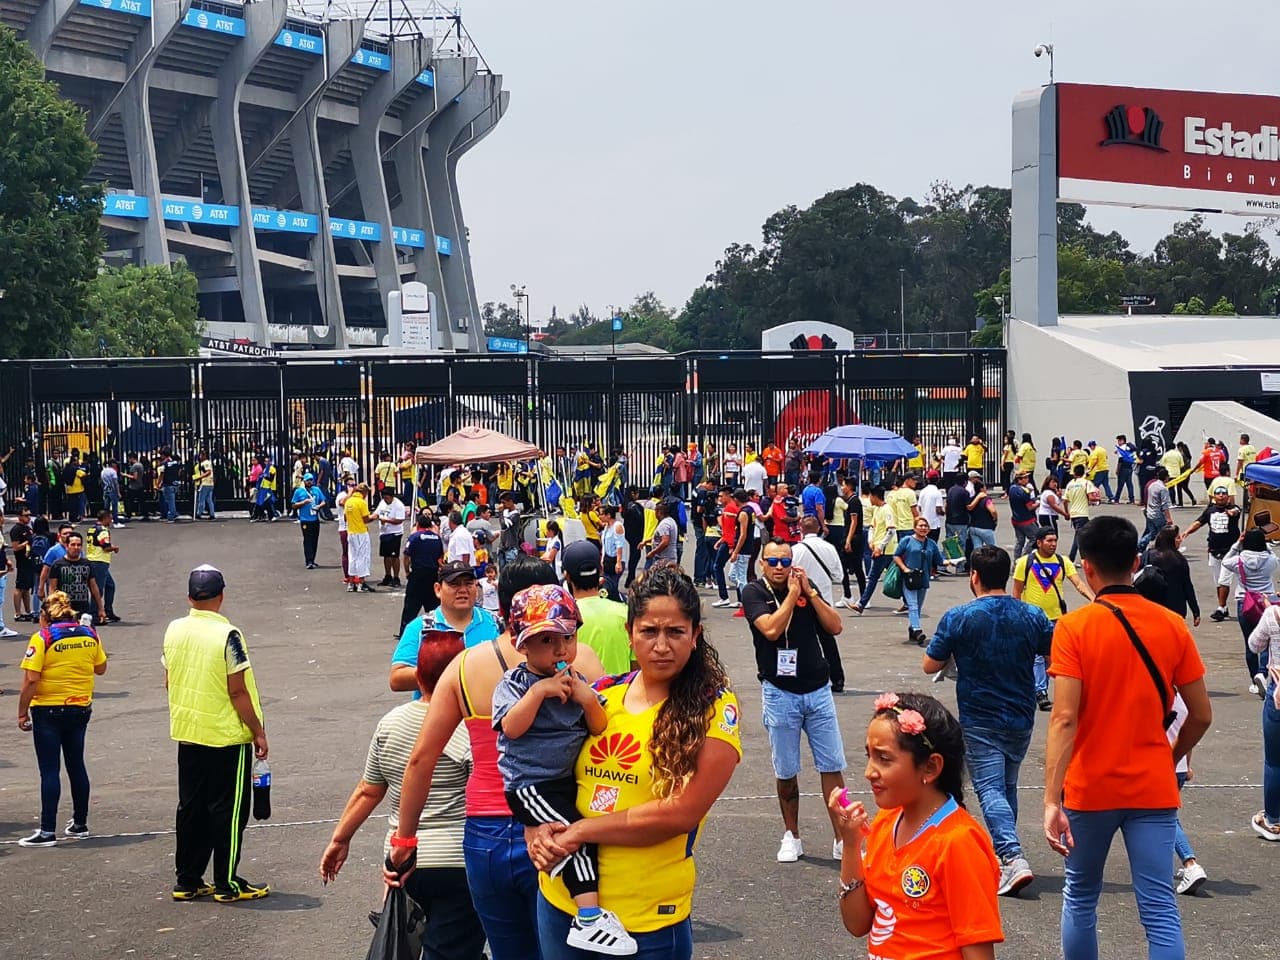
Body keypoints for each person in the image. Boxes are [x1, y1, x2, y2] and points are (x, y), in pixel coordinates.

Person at [516, 564, 741, 960]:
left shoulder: (713, 708)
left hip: (645, 921)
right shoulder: (601, 693)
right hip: (561, 903)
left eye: (675, 632)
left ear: (696, 635)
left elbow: (680, 814)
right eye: (649, 631)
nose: (661, 645)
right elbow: (541, 767)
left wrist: (581, 831)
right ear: (630, 633)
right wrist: (535, 830)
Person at [387, 556, 604, 959]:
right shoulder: (582, 660)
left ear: (502, 607)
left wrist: (405, 840)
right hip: (560, 825)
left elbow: (422, 759)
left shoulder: (465, 665)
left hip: (486, 836)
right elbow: (604, 742)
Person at [1044, 516, 1212, 960]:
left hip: (1090, 786)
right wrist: (1171, 754)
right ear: (1135, 562)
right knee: (1159, 906)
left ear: (1088, 569)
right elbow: (1201, 714)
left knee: (1080, 897)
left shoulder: (1074, 628)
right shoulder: (1171, 625)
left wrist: (1049, 800)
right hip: (1152, 787)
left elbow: (1064, 718)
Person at [320, 629, 486, 960]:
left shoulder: (390, 723)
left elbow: (369, 790)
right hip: (457, 862)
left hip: (402, 863)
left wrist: (340, 840)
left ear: (419, 677)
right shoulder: (469, 726)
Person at [492, 585, 638, 956]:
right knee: (575, 836)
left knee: (576, 835)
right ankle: (588, 918)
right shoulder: (514, 684)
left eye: (568, 638)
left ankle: (584, 907)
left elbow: (599, 726)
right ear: (521, 644)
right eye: (546, 640)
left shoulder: (578, 681)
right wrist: (539, 692)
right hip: (531, 785)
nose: (561, 649)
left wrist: (588, 700)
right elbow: (511, 728)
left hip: (563, 782)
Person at [828, 692, 1003, 958]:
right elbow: (857, 924)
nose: (869, 772)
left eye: (884, 759)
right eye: (869, 756)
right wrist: (851, 845)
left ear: (930, 768)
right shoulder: (887, 822)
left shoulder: (958, 841)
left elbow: (977, 949)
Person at [923, 546, 1054, 896]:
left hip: (980, 715)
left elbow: (930, 664)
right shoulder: (1033, 614)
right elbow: (1051, 653)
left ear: (974, 577)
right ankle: (1005, 855)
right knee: (1007, 786)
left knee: (989, 788)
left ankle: (1012, 857)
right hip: (1022, 714)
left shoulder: (960, 616)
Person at [162, 565, 270, 902]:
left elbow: (168, 680)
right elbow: (237, 691)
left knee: (190, 806)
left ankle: (188, 879)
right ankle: (226, 882)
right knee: (228, 809)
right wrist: (258, 731)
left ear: (190, 598)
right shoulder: (229, 636)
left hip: (189, 731)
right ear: (221, 596)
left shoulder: (174, 629)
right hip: (225, 735)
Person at [744, 538, 847, 862]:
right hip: (779, 691)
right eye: (772, 561)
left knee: (832, 766)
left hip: (817, 690)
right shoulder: (753, 592)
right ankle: (792, 835)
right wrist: (791, 595)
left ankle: (843, 837)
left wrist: (811, 593)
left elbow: (835, 626)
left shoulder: (806, 586)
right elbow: (771, 630)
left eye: (784, 561)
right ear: (762, 563)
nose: (779, 568)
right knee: (786, 769)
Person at [15, 590, 108, 847]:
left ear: (45, 615)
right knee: (76, 764)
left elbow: (31, 679)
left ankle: (47, 830)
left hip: (48, 709)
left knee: (49, 770)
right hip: (79, 707)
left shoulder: (43, 637)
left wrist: (22, 711)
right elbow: (100, 668)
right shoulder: (89, 633)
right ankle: (80, 823)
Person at [1012, 527, 1094, 711]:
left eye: (1055, 540)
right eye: (1049, 541)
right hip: (1032, 617)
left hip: (1057, 617)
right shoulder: (1025, 563)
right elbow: (1017, 590)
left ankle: (1050, 690)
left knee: (1055, 655)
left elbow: (1078, 583)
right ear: (1039, 542)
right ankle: (1041, 692)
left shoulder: (1062, 561)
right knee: (1038, 658)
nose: (1053, 544)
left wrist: (1094, 599)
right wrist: (1016, 614)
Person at [391, 560, 502, 694]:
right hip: (436, 712)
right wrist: (436, 671)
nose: (462, 590)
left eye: (468, 584)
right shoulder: (421, 628)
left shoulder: (495, 623)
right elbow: (396, 679)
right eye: (454, 584)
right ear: (438, 589)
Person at [1221, 528, 1279, 696]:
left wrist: (1237, 544)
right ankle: (1264, 672)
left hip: (1245, 602)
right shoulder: (1270, 560)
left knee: (1250, 642)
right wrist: (1266, 546)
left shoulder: (1239, 561)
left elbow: (1225, 561)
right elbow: (1274, 557)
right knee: (1268, 641)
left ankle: (1254, 678)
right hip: (1267, 603)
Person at [792, 515, 846, 692]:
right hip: (824, 602)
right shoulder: (829, 548)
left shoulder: (796, 550)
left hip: (800, 603)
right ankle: (837, 679)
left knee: (799, 641)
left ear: (801, 529)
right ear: (818, 529)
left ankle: (800, 676)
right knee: (828, 642)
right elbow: (839, 576)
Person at [561, 540, 632, 675]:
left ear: (567, 576)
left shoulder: (564, 621)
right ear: (601, 570)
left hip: (581, 695)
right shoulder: (626, 613)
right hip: (620, 693)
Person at [1181, 487, 1241, 624]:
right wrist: (1187, 532)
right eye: (1218, 494)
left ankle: (1220, 608)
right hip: (1214, 551)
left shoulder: (1234, 508)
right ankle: (1224, 607)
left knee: (1224, 580)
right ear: (1214, 496)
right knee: (1218, 581)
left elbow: (1235, 512)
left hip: (1230, 551)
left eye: (1224, 494)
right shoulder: (1210, 510)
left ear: (1228, 496)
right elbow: (1199, 522)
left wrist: (1230, 512)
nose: (1221, 496)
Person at [1247, 602, 1280, 840]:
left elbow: (1254, 644)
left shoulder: (1274, 614)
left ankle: (1273, 820)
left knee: (1275, 761)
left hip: (1278, 692)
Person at [894, 516, 951, 645]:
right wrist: (905, 568)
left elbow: (939, 561)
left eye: (925, 526)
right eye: (920, 525)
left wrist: (952, 562)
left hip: (923, 578)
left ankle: (912, 629)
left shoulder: (931, 544)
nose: (923, 528)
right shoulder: (907, 541)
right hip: (909, 578)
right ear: (914, 528)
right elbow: (896, 556)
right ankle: (917, 630)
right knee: (912, 605)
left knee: (918, 606)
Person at [1139, 526, 1200, 626]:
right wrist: (1195, 611)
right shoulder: (1179, 559)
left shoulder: (1147, 555)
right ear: (1171, 540)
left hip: (1150, 604)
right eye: (1178, 537)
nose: (1180, 540)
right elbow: (1187, 586)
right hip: (1174, 606)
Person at [851, 485, 897, 614]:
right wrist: (870, 541)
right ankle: (908, 600)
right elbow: (872, 526)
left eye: (870, 496)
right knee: (896, 576)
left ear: (875, 496)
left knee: (873, 577)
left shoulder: (887, 510)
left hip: (886, 550)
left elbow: (891, 530)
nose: (869, 498)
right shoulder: (877, 509)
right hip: (878, 548)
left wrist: (880, 546)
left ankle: (861, 604)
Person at [400, 512, 445, 635]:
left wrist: (407, 571)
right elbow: (440, 557)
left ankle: (405, 632)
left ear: (418, 524)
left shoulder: (414, 537)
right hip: (432, 574)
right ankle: (437, 631)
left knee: (411, 605)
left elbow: (406, 555)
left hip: (418, 574)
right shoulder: (437, 538)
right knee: (433, 605)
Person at [47, 532, 105, 626]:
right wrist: (51, 609)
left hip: (83, 610)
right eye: (73, 545)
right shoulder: (57, 565)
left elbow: (94, 587)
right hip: (64, 611)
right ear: (66, 546)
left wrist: (101, 608)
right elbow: (52, 589)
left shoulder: (87, 564)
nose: (76, 547)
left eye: (79, 545)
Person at [84, 510, 120, 624]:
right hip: (99, 561)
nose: (111, 520)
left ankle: (108, 610)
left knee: (110, 586)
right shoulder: (103, 530)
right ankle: (94, 615)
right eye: (110, 518)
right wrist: (114, 548)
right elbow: (105, 547)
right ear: (105, 518)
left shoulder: (92, 529)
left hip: (92, 559)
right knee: (97, 590)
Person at [344, 482, 377, 593]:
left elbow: (345, 517)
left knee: (352, 557)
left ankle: (351, 583)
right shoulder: (361, 502)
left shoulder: (349, 501)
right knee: (362, 557)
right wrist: (374, 516)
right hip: (360, 532)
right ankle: (360, 583)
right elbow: (366, 519)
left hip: (351, 532)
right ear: (364, 492)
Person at [1062, 465, 1099, 563]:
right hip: (1082, 514)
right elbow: (1091, 498)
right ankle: (1078, 559)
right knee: (1081, 537)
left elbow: (1065, 501)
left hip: (1074, 514)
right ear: (1084, 472)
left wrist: (1066, 512)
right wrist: (1098, 500)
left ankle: (1077, 558)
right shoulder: (1086, 483)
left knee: (1079, 535)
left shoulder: (1070, 484)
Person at [290, 472, 325, 570]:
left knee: (315, 539)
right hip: (305, 519)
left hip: (315, 518)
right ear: (304, 481)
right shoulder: (299, 491)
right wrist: (303, 502)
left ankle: (313, 559)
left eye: (311, 480)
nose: (309, 482)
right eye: (307, 480)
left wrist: (319, 506)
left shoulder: (316, 490)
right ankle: (308, 560)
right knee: (307, 540)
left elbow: (323, 501)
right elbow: (293, 505)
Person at [376, 487, 408, 587]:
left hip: (395, 533)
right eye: (384, 498)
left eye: (387, 498)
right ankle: (388, 575)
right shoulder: (382, 503)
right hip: (384, 532)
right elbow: (377, 513)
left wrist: (387, 520)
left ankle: (396, 577)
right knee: (386, 555)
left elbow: (400, 520)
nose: (385, 500)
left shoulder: (398, 505)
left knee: (394, 556)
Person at [1139, 468, 1174, 551]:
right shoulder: (1163, 488)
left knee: (1152, 533)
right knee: (1164, 533)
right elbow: (1164, 505)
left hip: (1150, 512)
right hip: (1158, 514)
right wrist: (1168, 518)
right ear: (1166, 477)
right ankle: (1165, 548)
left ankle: (1140, 545)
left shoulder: (1152, 485)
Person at [1007, 469, 1040, 557]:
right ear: (1019, 479)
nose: (1027, 479)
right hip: (1026, 519)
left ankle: (1016, 560)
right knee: (1035, 538)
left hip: (1016, 519)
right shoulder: (1023, 492)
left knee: (1020, 541)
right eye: (1025, 478)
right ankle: (1024, 556)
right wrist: (1037, 503)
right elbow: (1030, 507)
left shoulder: (1012, 488)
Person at [599, 504, 627, 602]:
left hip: (615, 560)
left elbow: (619, 545)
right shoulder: (606, 526)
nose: (599, 516)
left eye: (601, 514)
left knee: (612, 586)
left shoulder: (617, 526)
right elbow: (604, 544)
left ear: (609, 515)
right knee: (607, 585)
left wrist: (618, 562)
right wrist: (602, 559)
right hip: (607, 559)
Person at [967, 479, 999, 552]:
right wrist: (995, 519)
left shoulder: (972, 499)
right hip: (985, 528)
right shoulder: (986, 500)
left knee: (977, 549)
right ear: (981, 489)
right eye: (985, 487)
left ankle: (977, 562)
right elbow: (993, 511)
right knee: (992, 549)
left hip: (973, 527)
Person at [1113, 435, 1137, 504]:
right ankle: (1132, 500)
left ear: (1123, 440)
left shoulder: (1121, 448)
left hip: (1123, 468)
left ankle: (1116, 499)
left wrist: (1117, 470)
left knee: (1120, 484)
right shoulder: (1129, 447)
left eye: (1119, 440)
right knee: (1129, 484)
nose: (1118, 442)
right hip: (1130, 468)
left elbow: (1120, 460)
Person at [194, 452, 215, 520]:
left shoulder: (206, 463)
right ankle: (212, 514)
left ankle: (199, 514)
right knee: (209, 499)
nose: (199, 457)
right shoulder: (207, 463)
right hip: (210, 483)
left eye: (200, 455)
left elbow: (208, 472)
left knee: (201, 499)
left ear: (204, 455)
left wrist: (199, 477)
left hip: (205, 483)